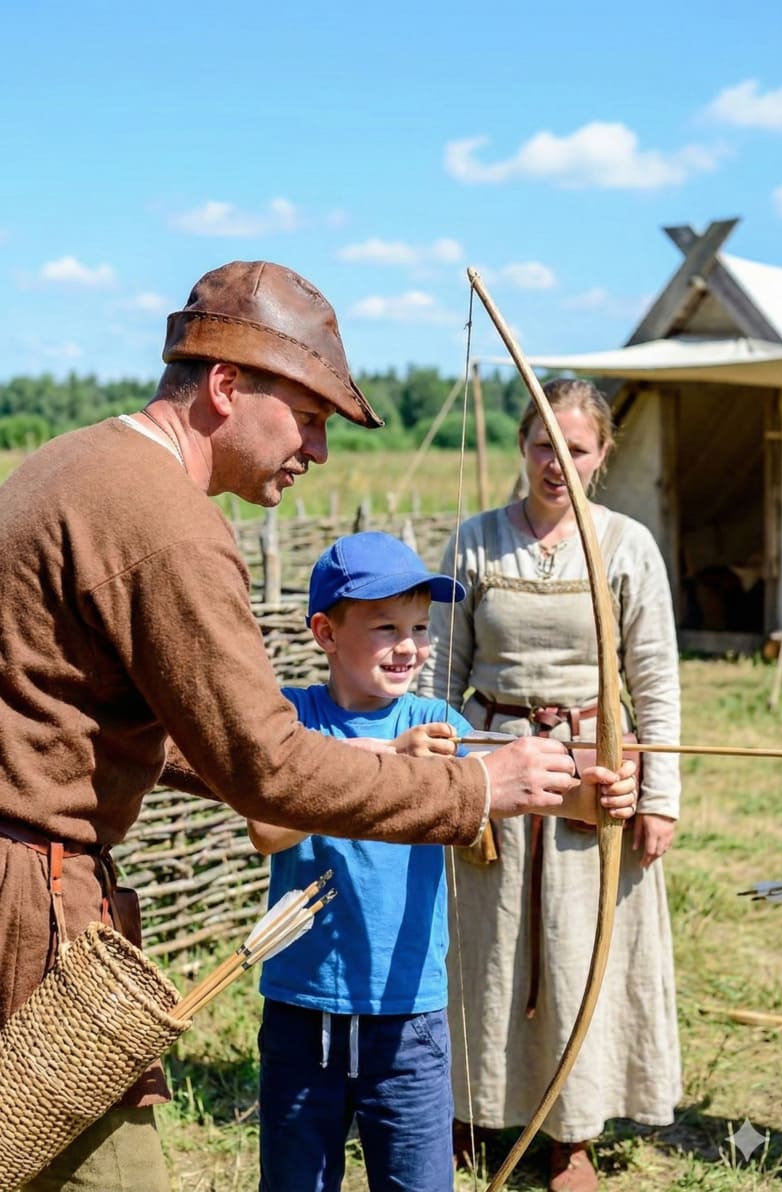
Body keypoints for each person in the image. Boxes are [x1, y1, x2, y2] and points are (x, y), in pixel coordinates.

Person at [0, 268, 637, 1192]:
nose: (321, 450)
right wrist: (477, 786)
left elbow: (130, 725)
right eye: (306, 417)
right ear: (226, 386)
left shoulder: (75, 463)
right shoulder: (165, 519)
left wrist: (364, 757)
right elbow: (263, 764)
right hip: (30, 896)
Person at [417, 378, 681, 1192]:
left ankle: (573, 1133)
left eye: (577, 448)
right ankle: (470, 1112)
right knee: (483, 950)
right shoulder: (476, 541)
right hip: (493, 767)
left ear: (602, 456)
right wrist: (435, 772)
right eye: (543, 444)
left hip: (592, 773)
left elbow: (655, 678)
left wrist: (660, 796)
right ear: (523, 445)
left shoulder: (627, 544)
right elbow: (439, 670)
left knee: (578, 951)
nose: (556, 463)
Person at [248, 530, 475, 1192]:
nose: (409, 646)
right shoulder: (292, 719)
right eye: (385, 628)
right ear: (326, 632)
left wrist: (592, 789)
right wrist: (388, 760)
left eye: (420, 627)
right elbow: (267, 829)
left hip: (408, 1018)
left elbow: (512, 780)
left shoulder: (437, 723)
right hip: (302, 1011)